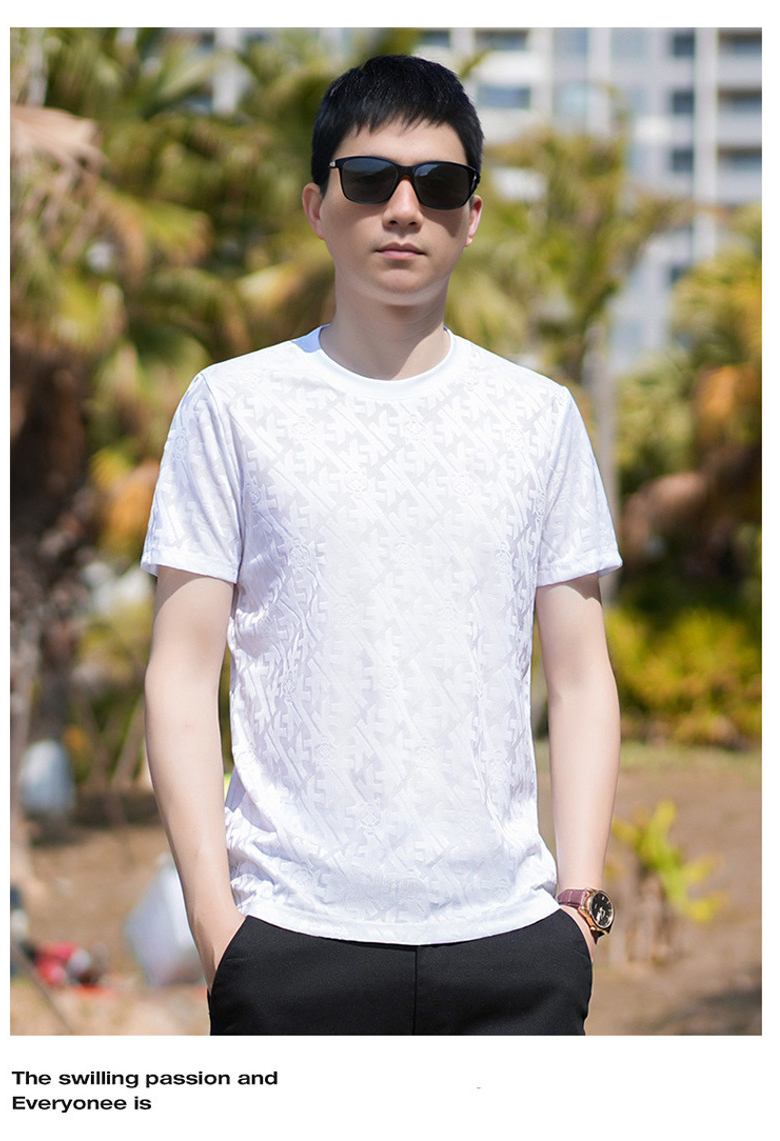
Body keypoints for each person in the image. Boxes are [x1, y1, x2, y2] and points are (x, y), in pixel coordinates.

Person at [142, 53, 622, 1036]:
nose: (404, 209)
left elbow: (581, 677)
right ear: (317, 206)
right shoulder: (231, 406)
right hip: (288, 939)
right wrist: (216, 926)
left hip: (511, 945)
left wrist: (576, 911)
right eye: (370, 179)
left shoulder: (538, 418)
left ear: (471, 216)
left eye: (437, 185)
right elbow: (180, 674)